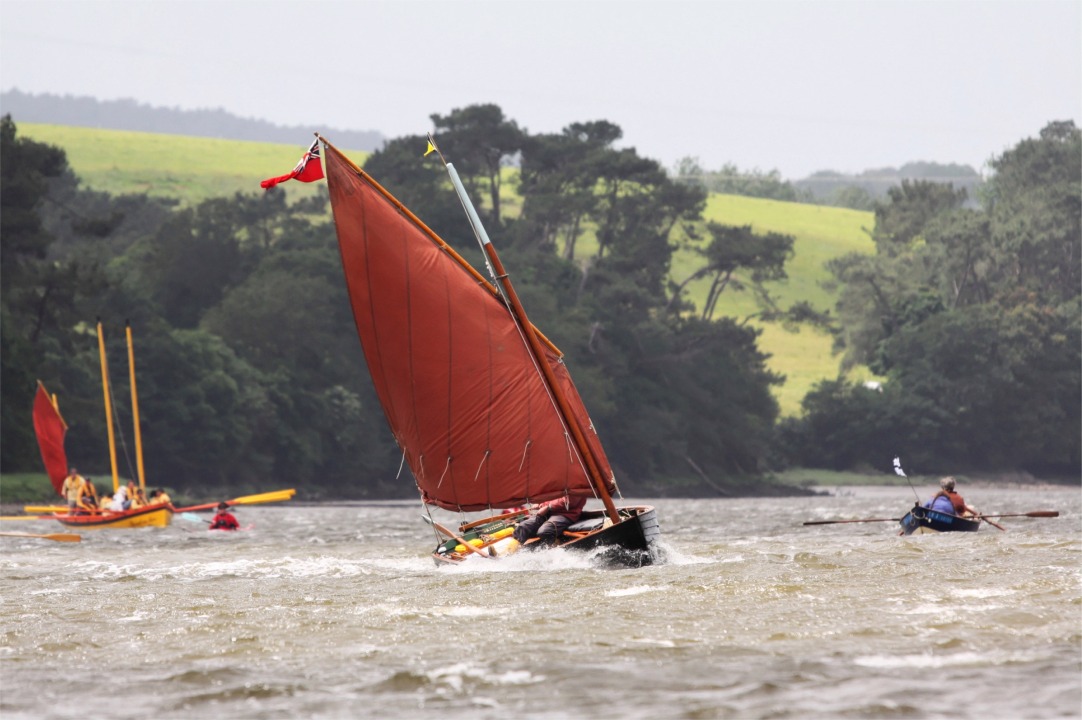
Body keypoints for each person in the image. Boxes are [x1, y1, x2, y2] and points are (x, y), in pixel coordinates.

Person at [512, 494, 587, 547]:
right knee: (523, 527)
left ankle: (551, 552)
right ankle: (518, 551)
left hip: (566, 514)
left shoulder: (574, 479)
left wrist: (549, 507)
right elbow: (547, 494)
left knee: (545, 531)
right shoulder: (554, 477)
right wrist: (540, 503)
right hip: (547, 513)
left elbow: (571, 501)